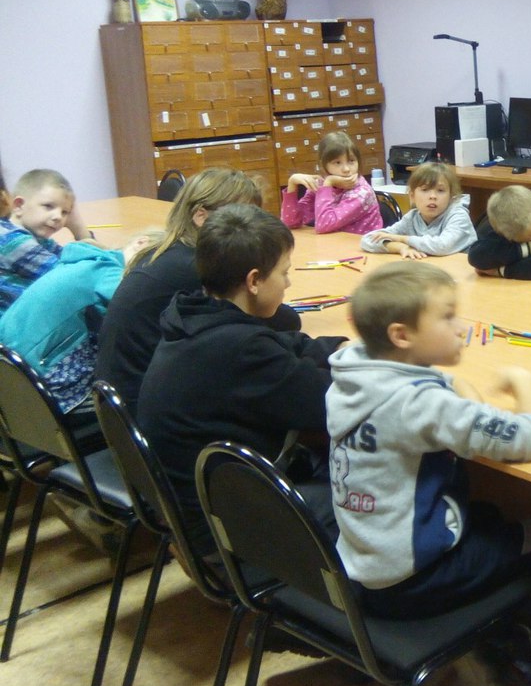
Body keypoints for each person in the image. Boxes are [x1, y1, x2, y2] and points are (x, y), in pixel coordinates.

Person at [328, 262, 531, 686]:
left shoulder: (355, 376)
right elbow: (529, 438)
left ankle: (494, 640)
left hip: (365, 567)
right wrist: (524, 385)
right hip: (413, 582)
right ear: (402, 335)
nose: (463, 327)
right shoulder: (420, 405)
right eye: (447, 317)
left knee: (491, 514)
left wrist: (459, 393)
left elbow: (440, 397)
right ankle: (519, 669)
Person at [137, 204, 345, 554]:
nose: (288, 283)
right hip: (231, 532)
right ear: (254, 281)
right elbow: (330, 402)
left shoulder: (192, 314)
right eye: (284, 273)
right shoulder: (243, 350)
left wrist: (336, 349)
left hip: (198, 509)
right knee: (378, 500)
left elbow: (282, 344)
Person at [95, 167, 301, 413]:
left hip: (120, 402)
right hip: (139, 406)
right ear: (201, 216)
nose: (252, 228)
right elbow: (279, 322)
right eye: (238, 218)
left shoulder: (166, 250)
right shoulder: (195, 268)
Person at [0, 234, 151, 417]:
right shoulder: (108, 271)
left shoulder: (83, 261)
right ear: (141, 242)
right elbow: (136, 310)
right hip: (40, 385)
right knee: (141, 402)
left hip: (12, 373)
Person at [0, 168, 92, 317]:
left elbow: (79, 259)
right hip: (13, 328)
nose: (58, 217)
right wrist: (80, 230)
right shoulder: (11, 240)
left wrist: (78, 229)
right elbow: (71, 279)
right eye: (48, 206)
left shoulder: (40, 240)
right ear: (19, 206)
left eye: (65, 212)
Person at [360, 161, 476, 257]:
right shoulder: (412, 217)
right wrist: (400, 247)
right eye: (425, 190)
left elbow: (442, 246)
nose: (433, 196)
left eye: (440, 191)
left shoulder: (458, 215)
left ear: (451, 197)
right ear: (412, 196)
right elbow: (368, 240)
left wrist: (402, 239)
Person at [281, 130, 382, 235]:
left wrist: (329, 182)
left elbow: (323, 225)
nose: (346, 169)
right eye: (337, 163)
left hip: (359, 244)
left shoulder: (362, 193)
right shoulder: (323, 185)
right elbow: (291, 223)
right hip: (333, 242)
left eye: (351, 161)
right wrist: (292, 183)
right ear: (323, 164)